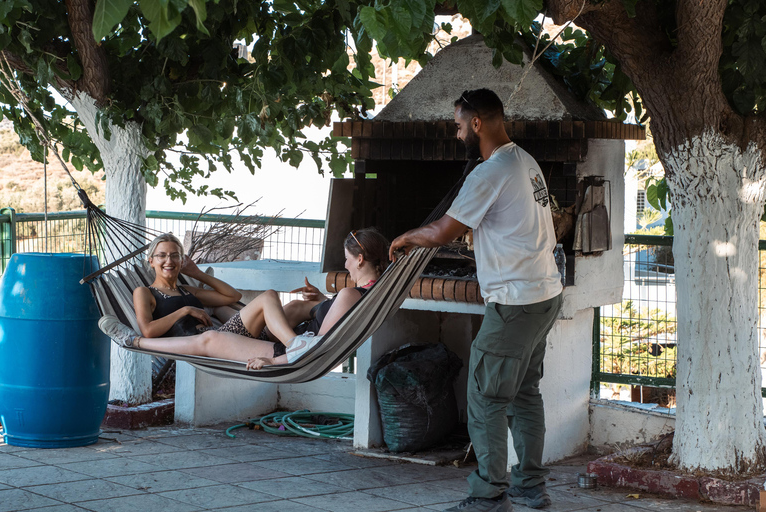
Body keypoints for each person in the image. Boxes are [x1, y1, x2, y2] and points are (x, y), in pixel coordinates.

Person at [389, 89, 563, 512]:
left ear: (477, 124)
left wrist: (405, 237)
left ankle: (488, 497)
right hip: (545, 293)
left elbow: (442, 233)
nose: (456, 132)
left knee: (485, 397)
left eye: (458, 125)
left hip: (515, 302)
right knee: (524, 393)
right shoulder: (525, 161)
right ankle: (529, 487)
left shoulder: (489, 172)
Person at [98, 228, 389, 369]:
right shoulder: (144, 292)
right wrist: (184, 310)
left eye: (174, 255)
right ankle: (130, 341)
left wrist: (197, 274)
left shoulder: (189, 289)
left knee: (260, 302)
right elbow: (148, 329)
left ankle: (293, 343)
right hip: (206, 341)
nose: (169, 260)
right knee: (212, 338)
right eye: (162, 256)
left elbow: (232, 296)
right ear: (150, 261)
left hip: (223, 333)